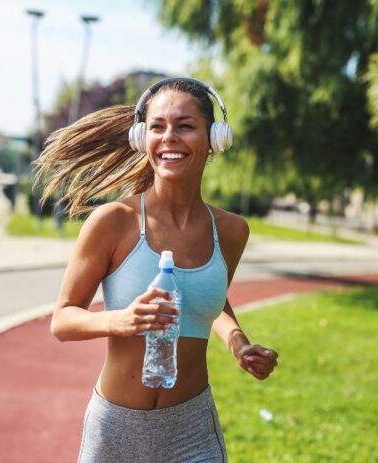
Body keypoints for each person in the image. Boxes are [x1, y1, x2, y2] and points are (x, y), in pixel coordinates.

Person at [33, 77, 279, 462]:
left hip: (191, 430)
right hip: (115, 430)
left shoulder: (230, 231)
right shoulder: (113, 221)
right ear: (140, 137)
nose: (169, 138)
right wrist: (122, 320)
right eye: (157, 127)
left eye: (185, 126)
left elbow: (211, 300)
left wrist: (239, 343)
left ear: (215, 138)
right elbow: (62, 320)